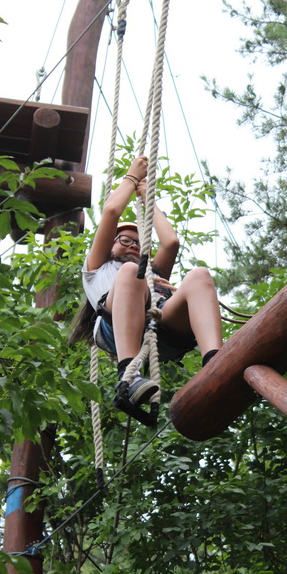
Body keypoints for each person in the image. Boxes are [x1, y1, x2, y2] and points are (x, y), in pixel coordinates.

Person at [76, 155, 223, 416]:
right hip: (117, 328)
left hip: (162, 328)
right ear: (111, 244)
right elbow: (111, 212)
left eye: (138, 242)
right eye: (124, 240)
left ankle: (216, 362)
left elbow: (171, 243)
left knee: (199, 275)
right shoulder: (98, 268)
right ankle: (128, 375)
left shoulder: (153, 273)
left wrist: (148, 199)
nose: (133, 245)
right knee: (132, 271)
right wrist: (131, 178)